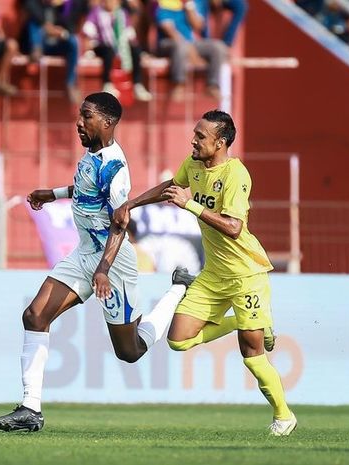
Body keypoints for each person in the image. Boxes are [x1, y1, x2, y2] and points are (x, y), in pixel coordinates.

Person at [0, 92, 195, 432]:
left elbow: (120, 220)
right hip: (85, 253)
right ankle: (30, 408)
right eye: (80, 116)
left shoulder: (116, 166)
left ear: (107, 122)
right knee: (35, 315)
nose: (79, 123)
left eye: (86, 117)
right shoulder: (92, 156)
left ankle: (176, 290)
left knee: (129, 352)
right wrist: (50, 193)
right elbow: (85, 189)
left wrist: (103, 270)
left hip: (113, 264)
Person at [105, 109, 295, 436]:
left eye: (201, 137)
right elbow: (171, 186)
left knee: (251, 354)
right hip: (213, 274)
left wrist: (189, 205)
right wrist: (130, 204)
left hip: (246, 274)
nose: (193, 140)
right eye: (195, 134)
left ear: (220, 143)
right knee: (178, 340)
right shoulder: (193, 165)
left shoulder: (236, 175)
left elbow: (234, 228)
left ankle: (283, 416)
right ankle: (250, 322)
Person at [155, 0, 228, 101]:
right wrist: (190, 50)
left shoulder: (191, 4)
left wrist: (189, 7)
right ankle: (178, 84)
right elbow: (169, 31)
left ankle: (212, 85)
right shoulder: (165, 4)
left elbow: (198, 26)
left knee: (218, 47)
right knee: (181, 46)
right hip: (168, 43)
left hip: (190, 42)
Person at [82, 0, 152, 101]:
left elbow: (130, 34)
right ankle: (107, 83)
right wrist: (88, 49)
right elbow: (88, 30)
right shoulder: (96, 12)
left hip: (120, 46)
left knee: (135, 51)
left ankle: (137, 84)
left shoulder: (122, 14)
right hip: (102, 45)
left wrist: (137, 50)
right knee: (108, 51)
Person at [22, 0, 87, 103]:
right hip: (37, 43)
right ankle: (36, 49)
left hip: (55, 44)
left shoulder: (64, 7)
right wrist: (45, 26)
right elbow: (30, 7)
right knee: (33, 24)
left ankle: (70, 83)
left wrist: (60, 33)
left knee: (73, 41)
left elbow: (70, 27)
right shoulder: (35, 4)